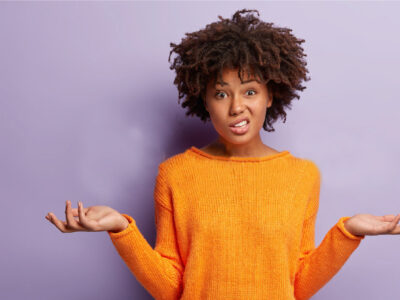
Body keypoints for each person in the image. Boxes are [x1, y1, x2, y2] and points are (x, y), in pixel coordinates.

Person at [45, 8, 400, 300]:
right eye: (221, 94)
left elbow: (298, 286)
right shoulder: (176, 174)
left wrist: (348, 232)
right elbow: (172, 288)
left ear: (270, 96)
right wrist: (122, 229)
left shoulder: (302, 176)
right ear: (204, 99)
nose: (236, 108)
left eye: (250, 91)